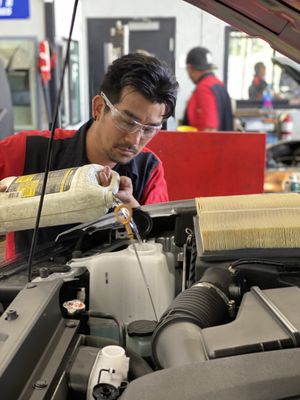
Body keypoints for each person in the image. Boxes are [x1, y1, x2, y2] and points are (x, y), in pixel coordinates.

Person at [0, 52, 178, 259]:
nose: (134, 140)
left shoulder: (149, 170)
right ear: (99, 108)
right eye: (127, 122)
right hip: (28, 284)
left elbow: (160, 247)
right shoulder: (28, 151)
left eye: (149, 129)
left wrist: (134, 212)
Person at [183, 46, 233, 131]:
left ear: (190, 68)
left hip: (210, 143)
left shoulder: (204, 89)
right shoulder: (219, 84)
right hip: (225, 142)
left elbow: (210, 129)